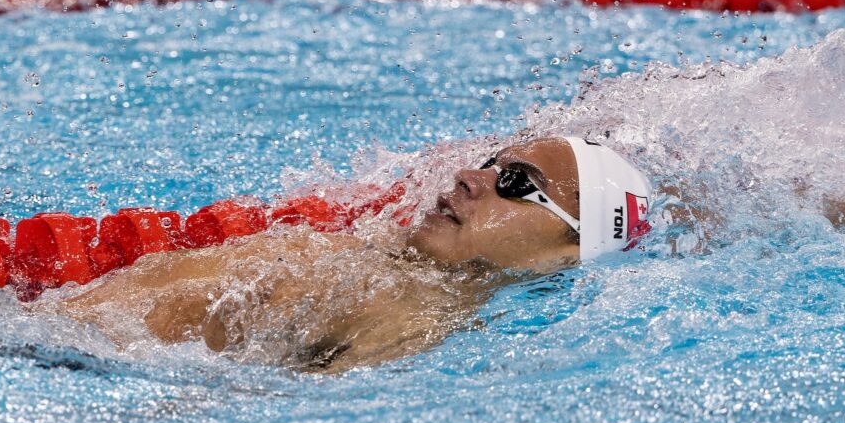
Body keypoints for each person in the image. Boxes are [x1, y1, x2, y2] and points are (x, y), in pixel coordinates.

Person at [35, 135, 653, 372]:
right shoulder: (386, 260)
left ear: (568, 252)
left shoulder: (417, 320)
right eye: (492, 163)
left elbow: (259, 410)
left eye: (515, 183)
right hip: (44, 330)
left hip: (52, 360)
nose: (471, 175)